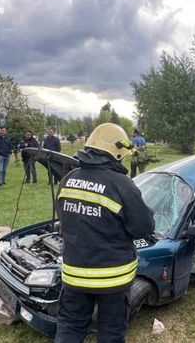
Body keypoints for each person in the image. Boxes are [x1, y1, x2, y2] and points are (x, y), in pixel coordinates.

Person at [55, 123, 155, 343]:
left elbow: (63, 219)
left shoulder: (68, 179)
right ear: (117, 152)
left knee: (70, 328)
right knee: (110, 334)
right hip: (113, 279)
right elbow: (143, 228)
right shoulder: (123, 185)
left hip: (74, 275)